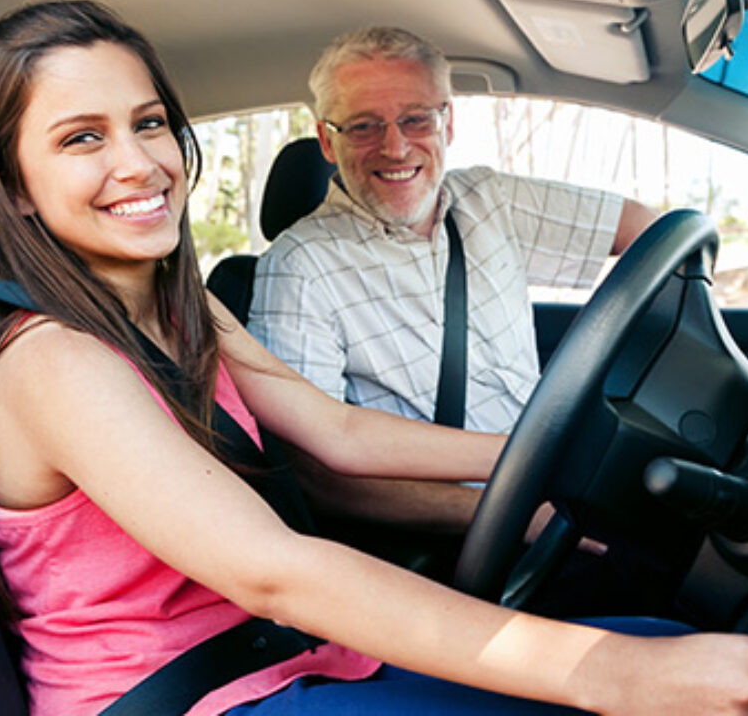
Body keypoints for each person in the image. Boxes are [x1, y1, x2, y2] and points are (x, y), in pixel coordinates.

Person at [0, 0, 748, 714]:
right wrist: (606, 673)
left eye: (149, 123)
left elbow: (339, 432)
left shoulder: (180, 306)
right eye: (82, 138)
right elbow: (273, 569)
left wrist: (541, 458)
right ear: (15, 186)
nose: (140, 164)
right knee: (640, 667)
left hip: (282, 659)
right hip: (194, 695)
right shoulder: (54, 359)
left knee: (663, 641)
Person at [246, 26, 659, 537]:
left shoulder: (491, 200)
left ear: (448, 123)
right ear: (328, 142)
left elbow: (650, 233)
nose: (395, 147)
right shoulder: (300, 266)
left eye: (415, 119)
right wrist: (512, 519)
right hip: (465, 540)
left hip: (559, 481)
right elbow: (319, 477)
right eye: (364, 127)